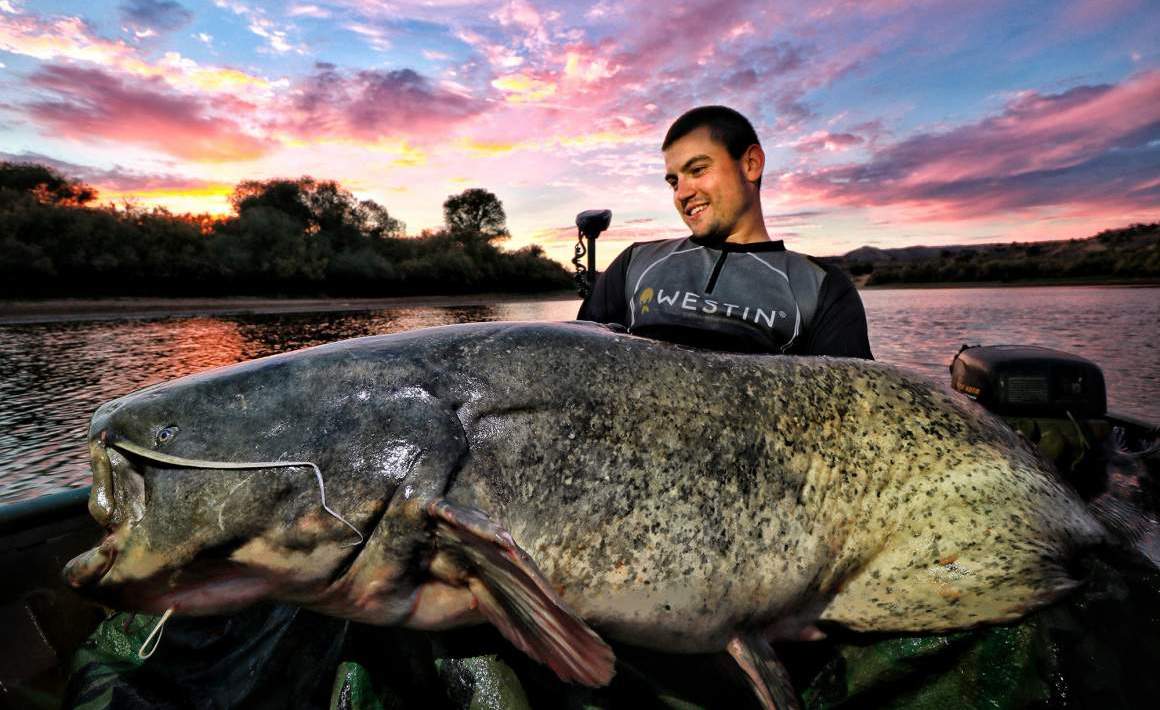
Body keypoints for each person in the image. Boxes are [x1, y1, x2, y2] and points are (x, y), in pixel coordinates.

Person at [579, 105, 872, 360]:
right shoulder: (635, 264)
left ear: (751, 164)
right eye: (673, 181)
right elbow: (578, 366)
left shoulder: (821, 288)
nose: (682, 193)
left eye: (697, 170)